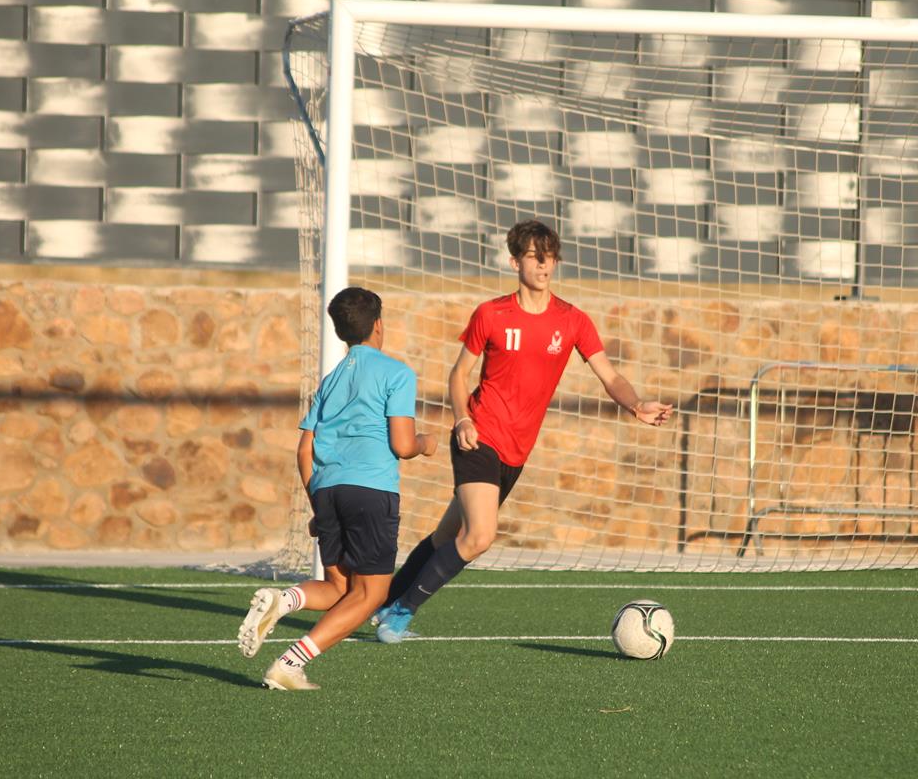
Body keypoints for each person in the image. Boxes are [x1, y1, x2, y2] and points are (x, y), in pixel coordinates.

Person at [373, 219, 672, 643]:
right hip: (480, 436)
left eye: (549, 255)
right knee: (478, 537)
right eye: (534, 255)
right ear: (515, 261)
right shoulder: (491, 314)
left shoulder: (573, 320)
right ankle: (401, 613)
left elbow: (609, 375)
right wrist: (462, 419)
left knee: (446, 537)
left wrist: (636, 403)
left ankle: (383, 602)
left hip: (516, 451)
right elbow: (458, 374)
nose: (544, 264)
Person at [237, 286, 436, 690]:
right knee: (372, 595)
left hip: (328, 490)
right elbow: (401, 444)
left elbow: (304, 448)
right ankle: (290, 663)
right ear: (379, 325)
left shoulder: (330, 381)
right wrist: (425, 444)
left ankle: (286, 599)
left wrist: (318, 504)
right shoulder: (397, 373)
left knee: (340, 588)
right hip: (371, 490)